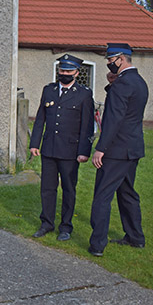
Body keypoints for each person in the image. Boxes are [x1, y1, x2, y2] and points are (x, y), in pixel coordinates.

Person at [88, 43, 149, 257]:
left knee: (102, 196)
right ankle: (135, 237)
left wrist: (100, 148)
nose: (108, 64)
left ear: (121, 59)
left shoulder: (123, 84)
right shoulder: (139, 82)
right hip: (132, 149)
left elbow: (113, 118)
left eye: (110, 60)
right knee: (128, 194)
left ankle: (97, 244)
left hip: (116, 150)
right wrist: (112, 85)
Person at [29, 54, 94, 241]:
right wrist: (35, 144)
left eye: (68, 71)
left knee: (68, 189)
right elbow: (40, 118)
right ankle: (46, 223)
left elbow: (87, 125)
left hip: (70, 151)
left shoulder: (84, 94)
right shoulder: (48, 90)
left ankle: (66, 226)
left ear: (76, 73)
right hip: (49, 148)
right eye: (62, 70)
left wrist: (84, 151)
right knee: (47, 188)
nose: (64, 74)